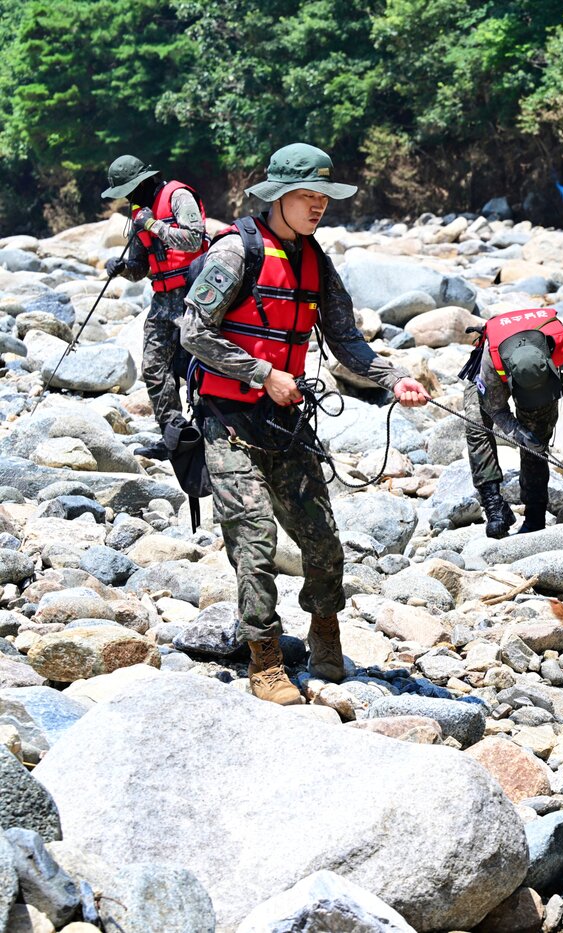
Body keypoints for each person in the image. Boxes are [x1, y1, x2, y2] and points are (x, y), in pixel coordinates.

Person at [180, 143, 430, 705]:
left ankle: (324, 634)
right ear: (277, 198)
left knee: (322, 542)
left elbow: (344, 339)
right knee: (255, 540)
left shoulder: (316, 260)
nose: (319, 207)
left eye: (325, 198)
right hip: (228, 419)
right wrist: (262, 372)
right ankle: (264, 658)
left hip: (286, 421)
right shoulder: (233, 255)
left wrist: (393, 380)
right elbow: (193, 332)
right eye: (307, 197)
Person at [101, 156, 209, 454]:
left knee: (200, 371)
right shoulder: (139, 214)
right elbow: (138, 268)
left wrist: (152, 223)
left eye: (132, 190)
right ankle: (173, 434)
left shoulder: (178, 196)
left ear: (146, 181)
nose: (129, 198)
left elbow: (192, 238)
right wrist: (121, 266)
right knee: (154, 368)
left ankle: (208, 432)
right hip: (162, 301)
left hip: (195, 297)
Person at [465, 307, 563, 538]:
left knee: (537, 443)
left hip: (540, 372)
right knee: (477, 426)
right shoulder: (491, 367)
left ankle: (535, 516)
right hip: (495, 367)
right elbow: (496, 410)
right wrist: (518, 433)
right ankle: (495, 508)